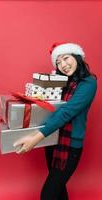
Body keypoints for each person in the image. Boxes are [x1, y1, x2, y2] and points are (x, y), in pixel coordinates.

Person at [13, 42, 97, 200]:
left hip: (69, 146)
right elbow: (44, 110)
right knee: (58, 190)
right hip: (51, 141)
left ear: (77, 57)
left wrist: (34, 139)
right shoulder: (60, 83)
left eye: (66, 58)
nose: (63, 65)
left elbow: (66, 113)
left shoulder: (89, 83)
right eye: (58, 62)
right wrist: (7, 126)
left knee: (48, 194)